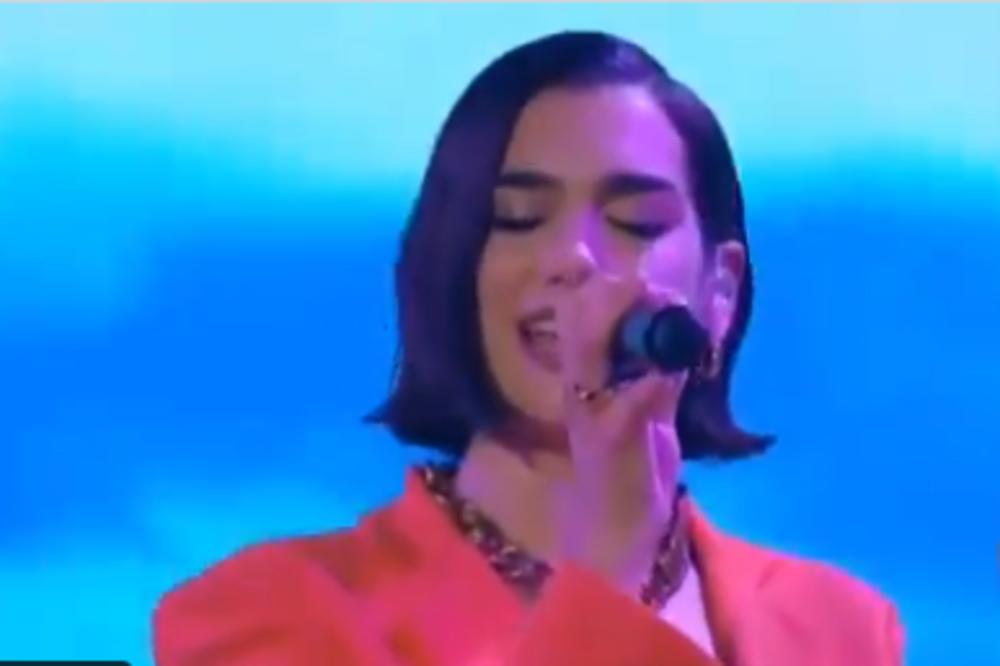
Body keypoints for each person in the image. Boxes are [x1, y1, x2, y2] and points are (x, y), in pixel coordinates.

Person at [153, 31, 904, 665]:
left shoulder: (840, 629)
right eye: (517, 218)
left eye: (637, 223)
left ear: (720, 290)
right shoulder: (264, 614)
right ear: (454, 266)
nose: (574, 257)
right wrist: (609, 573)